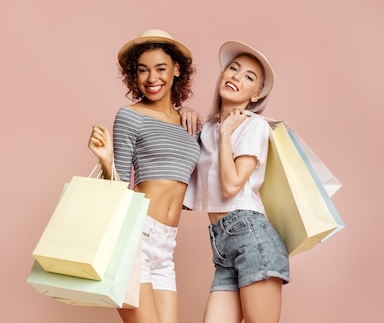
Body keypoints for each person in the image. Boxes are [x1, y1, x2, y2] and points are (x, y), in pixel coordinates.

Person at [88, 29, 201, 323]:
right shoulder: (130, 116)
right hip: (135, 235)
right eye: (143, 70)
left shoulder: (190, 124)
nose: (152, 79)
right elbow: (119, 189)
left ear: (177, 70)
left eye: (161, 68)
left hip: (166, 246)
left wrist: (187, 110)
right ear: (134, 75)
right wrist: (106, 161)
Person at [181, 41, 290, 323]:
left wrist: (227, 135)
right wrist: (184, 112)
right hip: (222, 246)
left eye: (249, 77)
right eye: (233, 69)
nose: (236, 77)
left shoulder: (254, 126)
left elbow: (231, 187)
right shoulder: (208, 129)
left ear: (256, 95)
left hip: (252, 239)